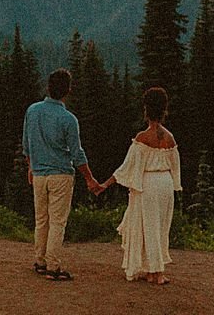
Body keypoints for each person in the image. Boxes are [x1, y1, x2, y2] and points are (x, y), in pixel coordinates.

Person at [22, 67, 102, 281]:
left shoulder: (32, 111)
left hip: (39, 173)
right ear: (67, 91)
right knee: (58, 221)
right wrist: (89, 178)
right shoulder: (68, 119)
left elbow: (26, 145)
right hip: (61, 175)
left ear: (48, 87)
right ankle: (53, 266)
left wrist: (31, 166)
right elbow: (77, 154)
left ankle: (40, 261)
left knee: (41, 219)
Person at [101, 86, 182, 284]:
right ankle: (153, 269)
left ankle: (157, 271)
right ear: (164, 110)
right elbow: (175, 166)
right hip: (165, 184)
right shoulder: (170, 138)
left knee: (149, 227)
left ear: (146, 110)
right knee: (160, 227)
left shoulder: (142, 138)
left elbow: (126, 167)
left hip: (149, 184)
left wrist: (104, 184)